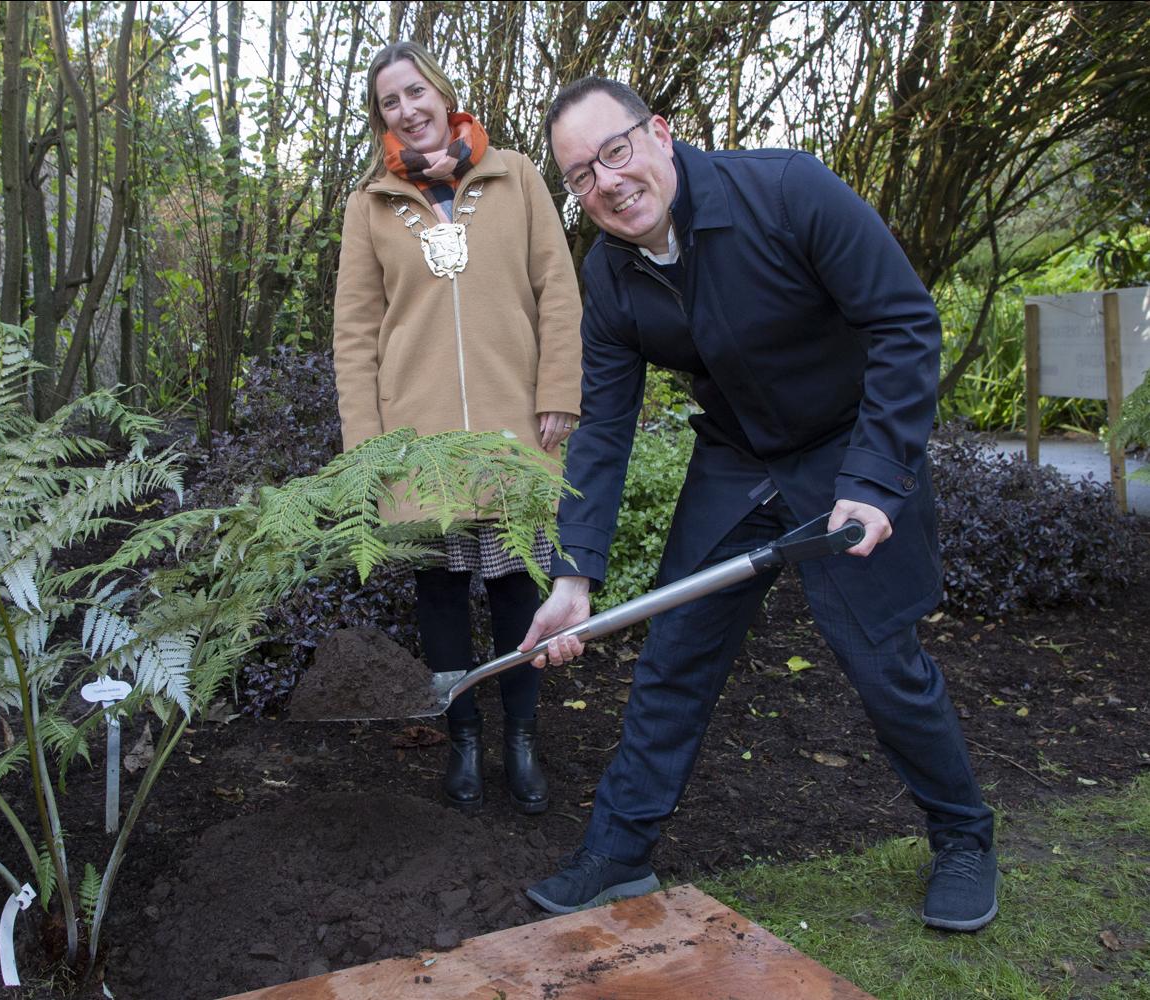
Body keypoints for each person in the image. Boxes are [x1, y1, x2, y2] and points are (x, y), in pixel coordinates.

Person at [516, 77, 998, 931]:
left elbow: (904, 322)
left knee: (882, 661)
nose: (607, 183)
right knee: (674, 653)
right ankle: (620, 850)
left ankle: (964, 838)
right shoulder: (611, 275)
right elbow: (604, 429)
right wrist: (574, 572)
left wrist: (876, 477)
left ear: (659, 133)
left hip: (852, 454)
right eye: (581, 176)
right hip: (738, 462)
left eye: (615, 151)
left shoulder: (786, 191)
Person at [331, 42, 583, 815]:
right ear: (381, 119)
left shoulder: (516, 176)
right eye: (389, 103)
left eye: (415, 93)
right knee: (439, 592)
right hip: (419, 442)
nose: (407, 110)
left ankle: (521, 739)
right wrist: (368, 450)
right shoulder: (370, 204)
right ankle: (464, 740)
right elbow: (355, 335)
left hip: (515, 427)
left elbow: (558, 291)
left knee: (517, 587)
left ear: (442, 94)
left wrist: (560, 390)